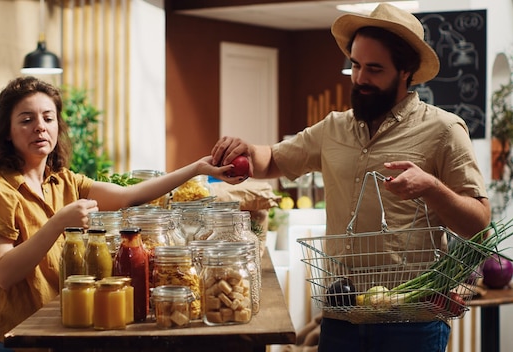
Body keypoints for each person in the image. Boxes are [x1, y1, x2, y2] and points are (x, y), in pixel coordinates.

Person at [210, 3, 490, 352]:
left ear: (406, 72)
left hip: (412, 320)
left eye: (374, 69)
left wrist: (431, 188)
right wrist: (248, 150)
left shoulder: (444, 130)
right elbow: (272, 161)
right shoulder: (333, 128)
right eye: (356, 66)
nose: (360, 78)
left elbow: (479, 224)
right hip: (341, 313)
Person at [0, 76, 230, 352]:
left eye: (48, 118)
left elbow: (130, 195)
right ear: (7, 132)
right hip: (6, 339)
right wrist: (59, 223)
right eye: (26, 120)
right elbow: (4, 273)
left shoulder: (66, 182)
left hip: (50, 336)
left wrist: (197, 168)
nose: (40, 128)